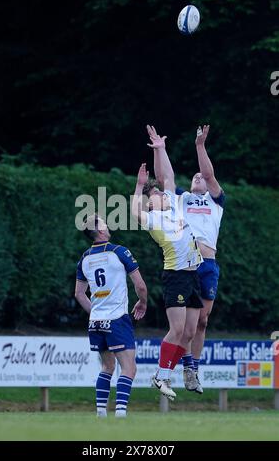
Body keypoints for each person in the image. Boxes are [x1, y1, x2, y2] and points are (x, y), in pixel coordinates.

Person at [148, 124, 225, 394]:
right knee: (186, 327)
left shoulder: (216, 201)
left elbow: (208, 173)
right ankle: (185, 366)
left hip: (209, 265)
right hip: (187, 265)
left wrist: (200, 146)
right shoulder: (181, 199)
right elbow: (163, 178)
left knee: (202, 322)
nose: (198, 177)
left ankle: (191, 367)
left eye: (201, 178)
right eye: (194, 177)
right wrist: (160, 150)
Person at [131, 159, 203, 401]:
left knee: (190, 332)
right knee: (177, 329)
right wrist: (139, 185)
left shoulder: (173, 206)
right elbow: (133, 212)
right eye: (156, 194)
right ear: (150, 203)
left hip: (192, 274)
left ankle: (165, 374)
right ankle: (160, 377)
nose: (162, 194)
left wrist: (161, 149)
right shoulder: (154, 219)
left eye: (160, 192)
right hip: (176, 276)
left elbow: (169, 177)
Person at [75, 214, 147, 417]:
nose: (107, 224)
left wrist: (96, 313)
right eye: (103, 222)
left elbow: (79, 294)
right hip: (117, 318)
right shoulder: (119, 251)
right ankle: (121, 413)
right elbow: (140, 285)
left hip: (96, 321)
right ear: (99, 230)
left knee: (107, 366)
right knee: (129, 368)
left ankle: (100, 413)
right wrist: (142, 302)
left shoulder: (85, 258)